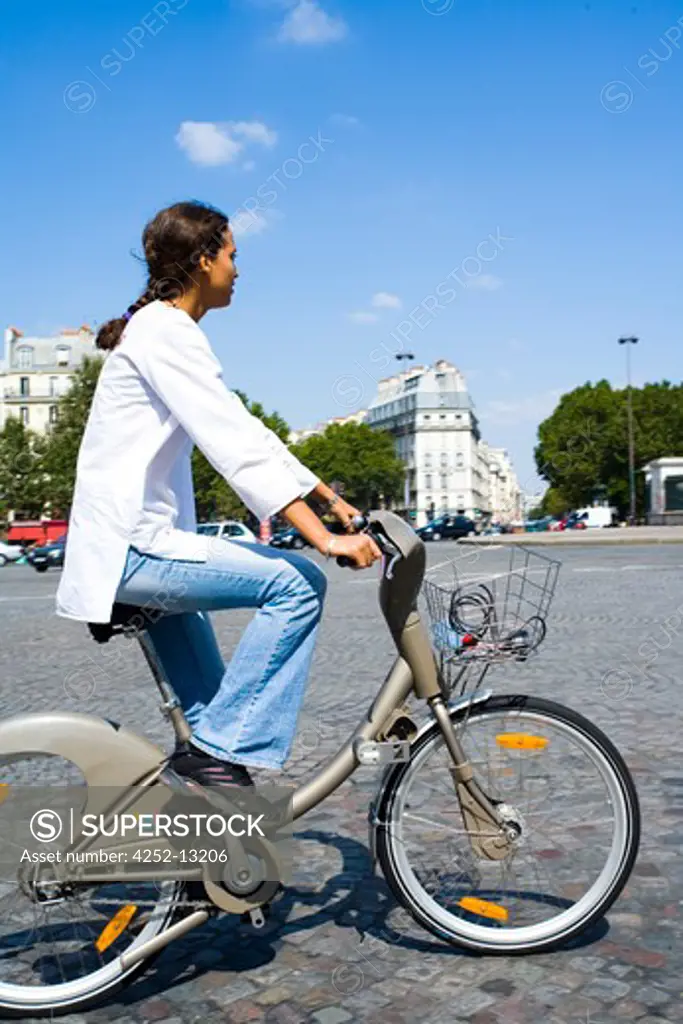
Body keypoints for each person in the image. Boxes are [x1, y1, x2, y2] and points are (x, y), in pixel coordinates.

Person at [56, 200, 381, 788]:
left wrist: (330, 498)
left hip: (139, 547)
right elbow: (232, 443)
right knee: (297, 582)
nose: (238, 269)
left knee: (212, 731)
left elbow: (247, 430)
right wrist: (323, 539)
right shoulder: (165, 332)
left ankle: (204, 859)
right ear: (204, 260)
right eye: (233, 255)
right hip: (135, 549)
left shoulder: (160, 329)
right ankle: (219, 755)